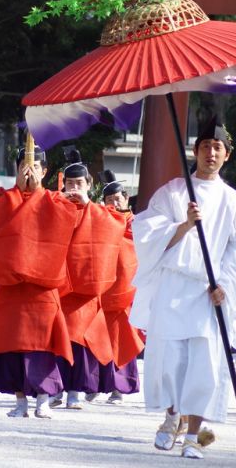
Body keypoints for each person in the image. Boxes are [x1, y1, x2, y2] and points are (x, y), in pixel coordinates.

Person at [130, 117, 236, 459]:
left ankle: (193, 434)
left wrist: (225, 284)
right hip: (174, 285)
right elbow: (146, 235)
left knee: (204, 364)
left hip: (207, 293)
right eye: (206, 146)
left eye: (218, 148)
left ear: (227, 155)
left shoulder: (234, 202)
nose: (211, 153)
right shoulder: (173, 192)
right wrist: (183, 225)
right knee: (171, 361)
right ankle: (172, 416)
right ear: (195, 151)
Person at [0, 143, 77, 419]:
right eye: (23, 168)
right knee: (11, 347)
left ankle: (43, 399)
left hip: (42, 288)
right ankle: (20, 401)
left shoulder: (54, 200)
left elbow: (68, 217)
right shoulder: (1, 198)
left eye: (35, 168)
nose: (29, 173)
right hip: (10, 288)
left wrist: (38, 192)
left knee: (42, 347)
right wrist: (17, 192)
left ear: (45, 171)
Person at [52, 151, 126, 410]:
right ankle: (54, 389)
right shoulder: (55, 206)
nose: (74, 188)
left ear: (89, 185)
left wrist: (88, 205)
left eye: (79, 183)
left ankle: (74, 391)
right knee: (57, 340)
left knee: (80, 343)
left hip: (85, 288)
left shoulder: (100, 212)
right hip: (58, 285)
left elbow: (117, 226)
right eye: (70, 183)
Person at [85, 170, 144, 406]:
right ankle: (95, 384)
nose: (114, 203)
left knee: (122, 339)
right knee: (98, 338)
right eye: (109, 200)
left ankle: (119, 387)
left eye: (118, 199)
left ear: (126, 198)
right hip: (104, 287)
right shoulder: (101, 221)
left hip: (127, 288)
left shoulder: (137, 223)